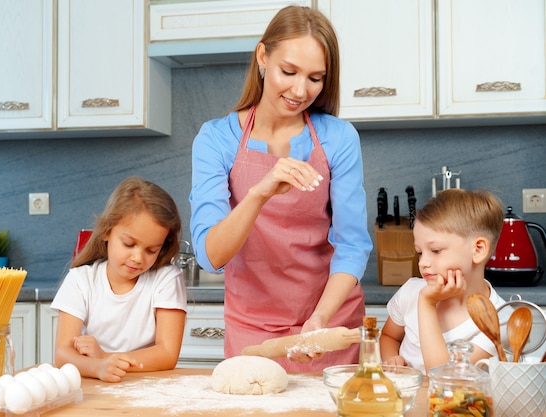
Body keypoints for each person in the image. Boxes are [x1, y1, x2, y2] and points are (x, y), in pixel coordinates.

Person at [189, 5, 372, 372]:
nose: (300, 90)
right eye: (288, 71)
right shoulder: (216, 140)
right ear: (262, 56)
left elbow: (352, 246)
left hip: (328, 324)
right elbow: (211, 255)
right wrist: (259, 192)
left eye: (316, 78)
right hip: (253, 333)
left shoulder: (338, 138)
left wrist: (319, 321)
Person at [52, 177, 187, 382]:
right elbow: (62, 354)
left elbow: (167, 354)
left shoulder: (166, 279)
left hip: (149, 388)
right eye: (129, 244)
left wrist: (107, 358)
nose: (138, 258)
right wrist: (97, 367)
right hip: (96, 388)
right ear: (107, 231)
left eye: (151, 250)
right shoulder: (81, 280)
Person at [380, 189, 506, 374]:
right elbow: (389, 336)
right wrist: (391, 358)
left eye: (436, 250)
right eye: (420, 252)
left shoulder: (499, 320)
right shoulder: (411, 291)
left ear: (478, 249)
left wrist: (427, 304)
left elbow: (442, 376)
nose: (423, 263)